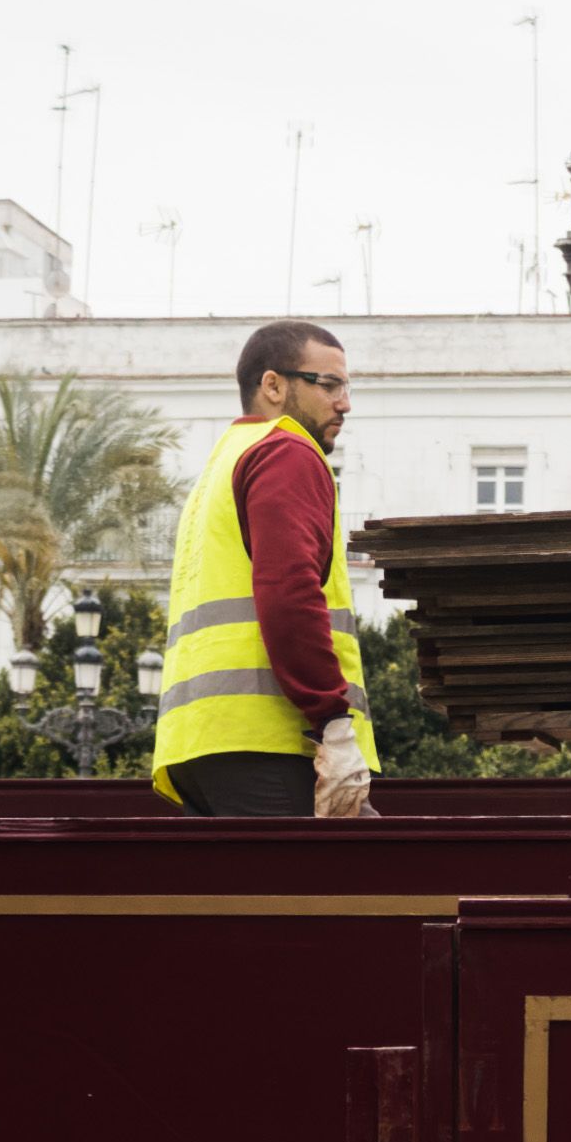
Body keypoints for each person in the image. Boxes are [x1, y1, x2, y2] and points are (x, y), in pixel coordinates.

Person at [152, 320, 384, 817]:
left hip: (201, 745)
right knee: (366, 889)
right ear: (273, 385)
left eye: (347, 386)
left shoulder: (225, 460)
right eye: (329, 385)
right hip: (275, 739)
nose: (344, 403)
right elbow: (289, 594)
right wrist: (333, 723)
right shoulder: (287, 451)